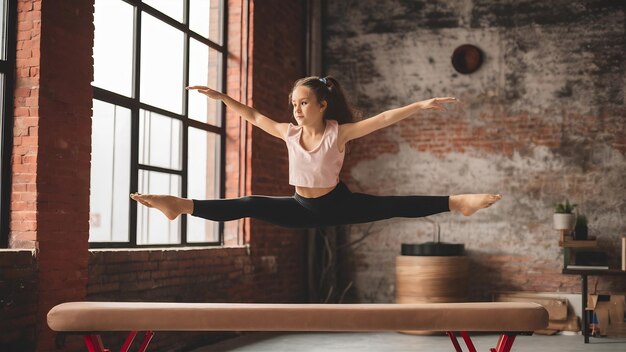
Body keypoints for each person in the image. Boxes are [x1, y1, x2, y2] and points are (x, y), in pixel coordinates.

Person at [130, 76, 501, 229]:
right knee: (247, 202)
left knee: (392, 204)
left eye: (304, 103)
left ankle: (458, 202)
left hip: (337, 205)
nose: (296, 109)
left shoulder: (338, 134)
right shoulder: (288, 133)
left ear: (323, 105)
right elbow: (255, 116)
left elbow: (384, 117)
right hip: (300, 207)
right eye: (294, 103)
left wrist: (420, 105)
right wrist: (223, 98)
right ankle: (179, 206)